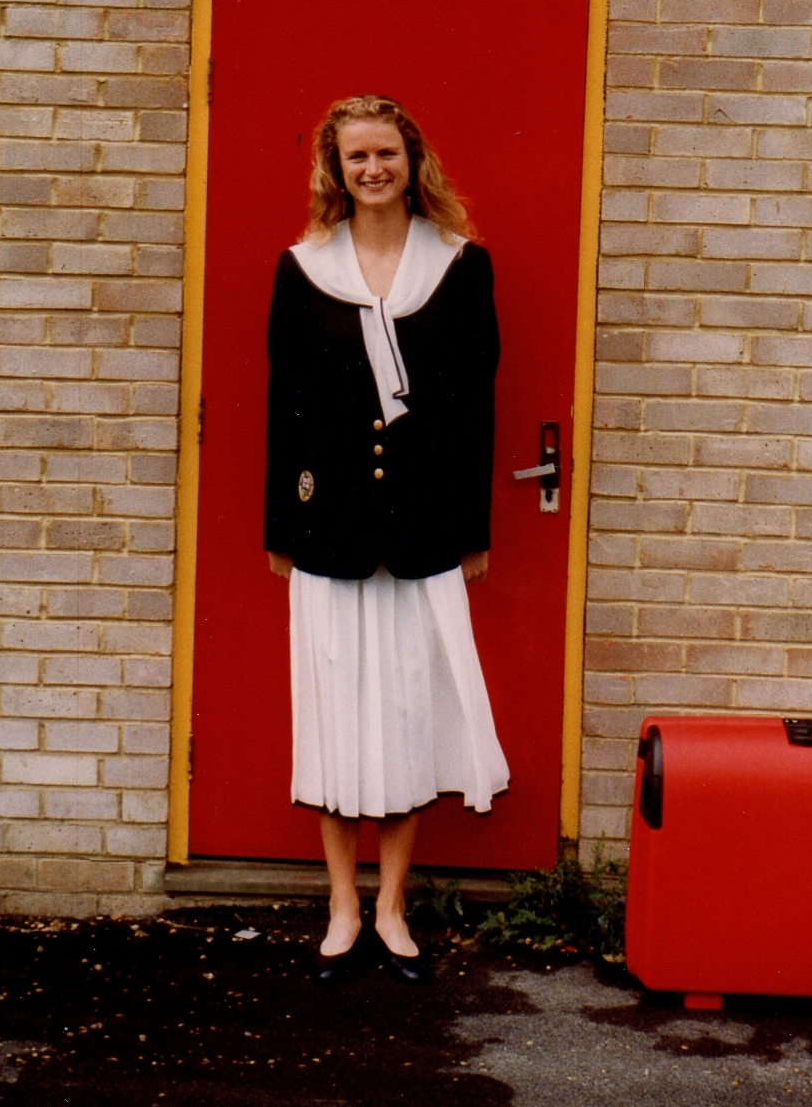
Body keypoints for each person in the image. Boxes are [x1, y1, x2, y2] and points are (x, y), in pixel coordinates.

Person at [264, 93, 509, 983]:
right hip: (327, 532)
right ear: (336, 169)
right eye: (355, 156)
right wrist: (280, 526)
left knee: (407, 716)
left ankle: (394, 908)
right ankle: (340, 906)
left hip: (423, 531)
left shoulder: (460, 265)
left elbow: (477, 408)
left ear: (413, 161)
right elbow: (284, 409)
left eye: (387, 154)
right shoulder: (302, 268)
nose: (372, 169)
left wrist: (473, 530)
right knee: (333, 718)